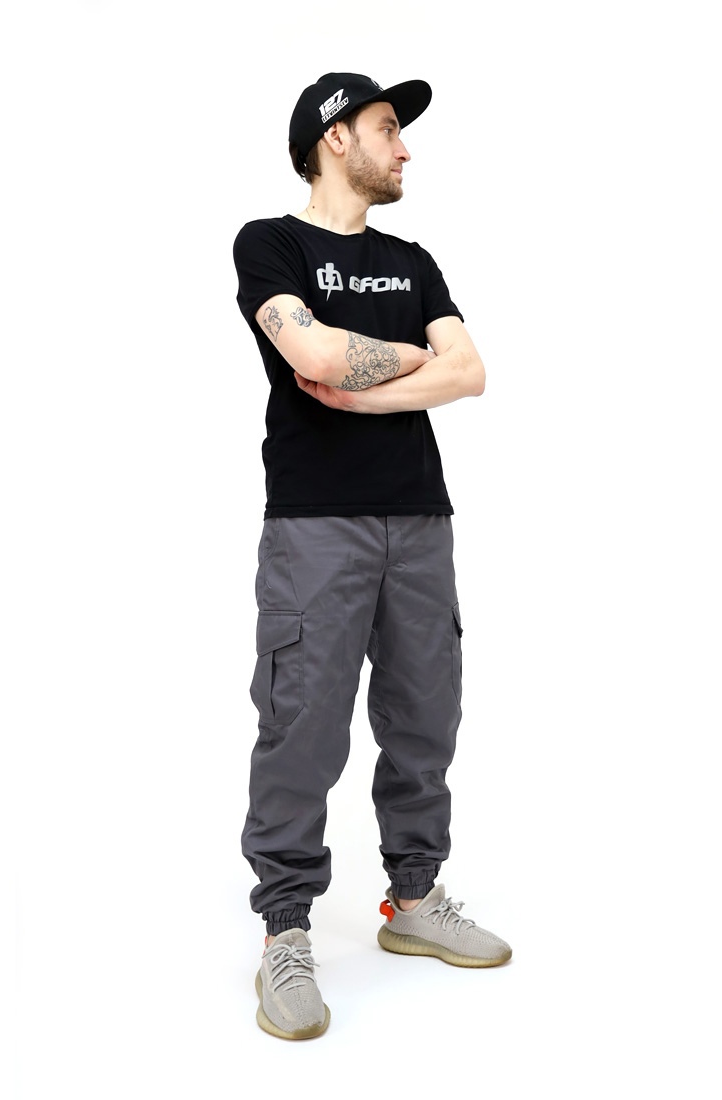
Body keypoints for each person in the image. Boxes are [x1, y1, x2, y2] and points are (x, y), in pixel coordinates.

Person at [232, 72, 511, 1041]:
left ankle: (414, 897)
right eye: (388, 128)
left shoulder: (412, 260)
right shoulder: (270, 245)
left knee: (426, 712)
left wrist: (365, 383)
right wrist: (411, 360)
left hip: (420, 519)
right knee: (302, 722)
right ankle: (284, 929)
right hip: (316, 525)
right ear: (335, 136)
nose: (405, 147)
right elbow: (310, 359)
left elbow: (470, 371)